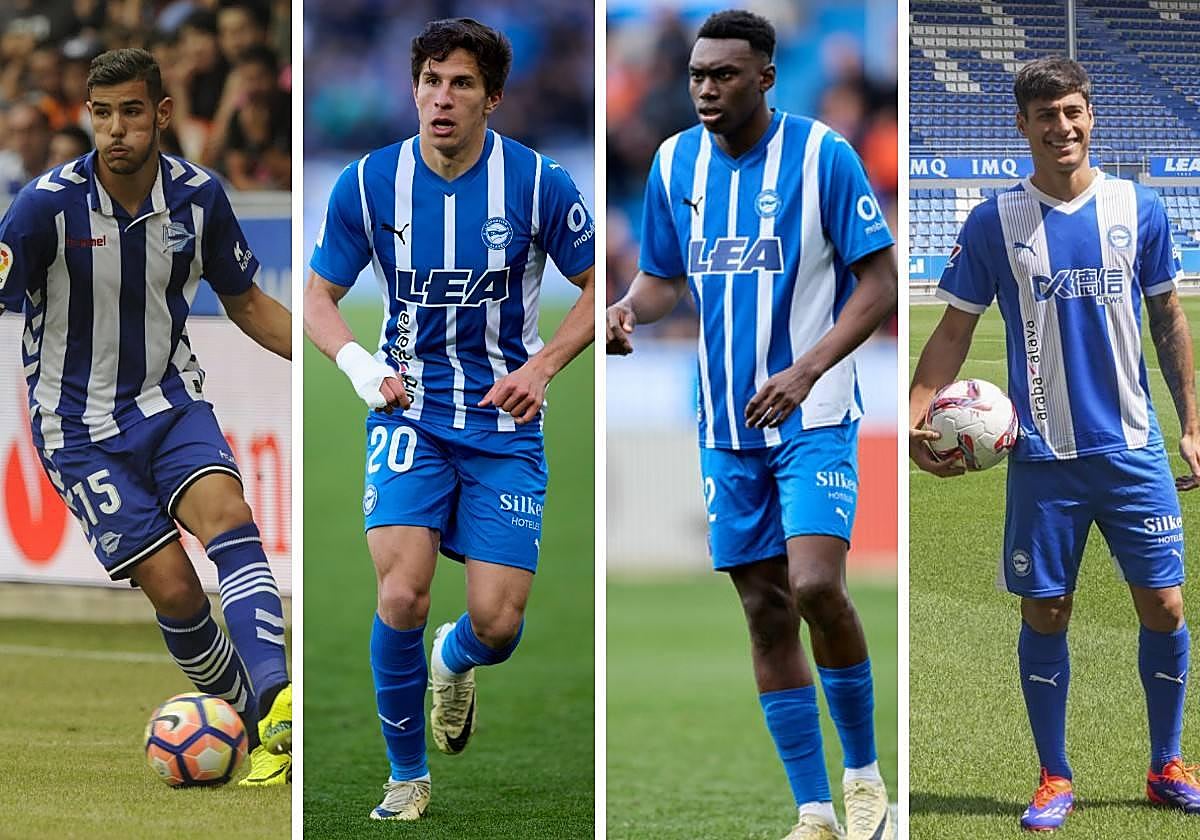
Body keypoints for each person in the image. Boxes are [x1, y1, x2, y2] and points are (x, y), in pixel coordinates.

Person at [606, 10, 896, 840]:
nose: (705, 88)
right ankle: (814, 810)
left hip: (817, 410)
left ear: (766, 78)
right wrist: (629, 309)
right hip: (724, 423)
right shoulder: (673, 162)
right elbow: (665, 279)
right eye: (698, 74)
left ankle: (866, 778)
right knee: (766, 613)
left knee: (814, 586)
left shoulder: (823, 157)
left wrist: (807, 369)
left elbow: (874, 285)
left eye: (724, 75)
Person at [303, 17, 595, 822]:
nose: (442, 97)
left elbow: (603, 284)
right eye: (431, 80)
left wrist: (542, 366)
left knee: (499, 623)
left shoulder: (540, 185)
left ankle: (454, 662)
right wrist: (360, 365)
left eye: (462, 83)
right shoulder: (366, 183)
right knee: (401, 592)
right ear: (413, 88)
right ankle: (406, 775)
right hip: (411, 412)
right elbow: (318, 297)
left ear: (492, 98)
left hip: (505, 425)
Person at [908, 56, 1200, 831]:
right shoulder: (993, 222)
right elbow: (954, 329)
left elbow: (1170, 321)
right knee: (1047, 614)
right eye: (1046, 115)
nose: (1061, 127)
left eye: (1072, 111)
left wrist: (1194, 424)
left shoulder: (1140, 209)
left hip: (1132, 451)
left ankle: (1167, 763)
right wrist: (913, 417)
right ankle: (1053, 776)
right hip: (1041, 458)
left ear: (1090, 116)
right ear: (1023, 126)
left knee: (1166, 606)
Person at [0, 47, 293, 786]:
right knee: (173, 585)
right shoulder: (43, 208)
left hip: (168, 404)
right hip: (76, 430)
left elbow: (249, 303)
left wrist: (339, 360)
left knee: (227, 513)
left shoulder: (199, 197)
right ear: (89, 118)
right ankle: (254, 723)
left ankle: (278, 700)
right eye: (102, 115)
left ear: (161, 113)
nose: (116, 130)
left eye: (132, 111)